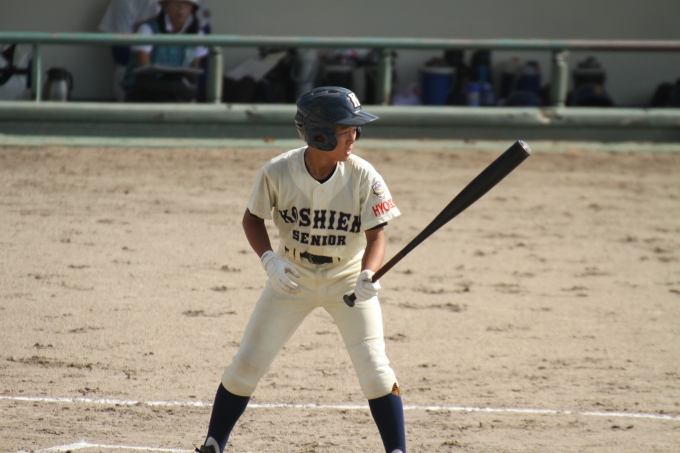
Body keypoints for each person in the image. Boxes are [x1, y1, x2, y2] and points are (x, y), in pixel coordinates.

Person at [196, 86, 407, 453]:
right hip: (291, 277)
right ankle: (213, 444)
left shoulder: (363, 174)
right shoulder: (277, 171)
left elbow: (377, 236)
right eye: (345, 130)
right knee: (247, 364)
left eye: (355, 130)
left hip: (347, 281)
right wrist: (269, 260)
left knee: (375, 368)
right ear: (319, 134)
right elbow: (252, 219)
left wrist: (368, 274)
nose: (353, 137)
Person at [119, 0, 209, 102]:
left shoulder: (198, 35)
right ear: (165, 4)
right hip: (144, 92)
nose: (181, 7)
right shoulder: (148, 29)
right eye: (176, 2)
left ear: (192, 8)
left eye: (186, 3)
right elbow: (142, 74)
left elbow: (192, 75)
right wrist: (172, 87)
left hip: (177, 92)